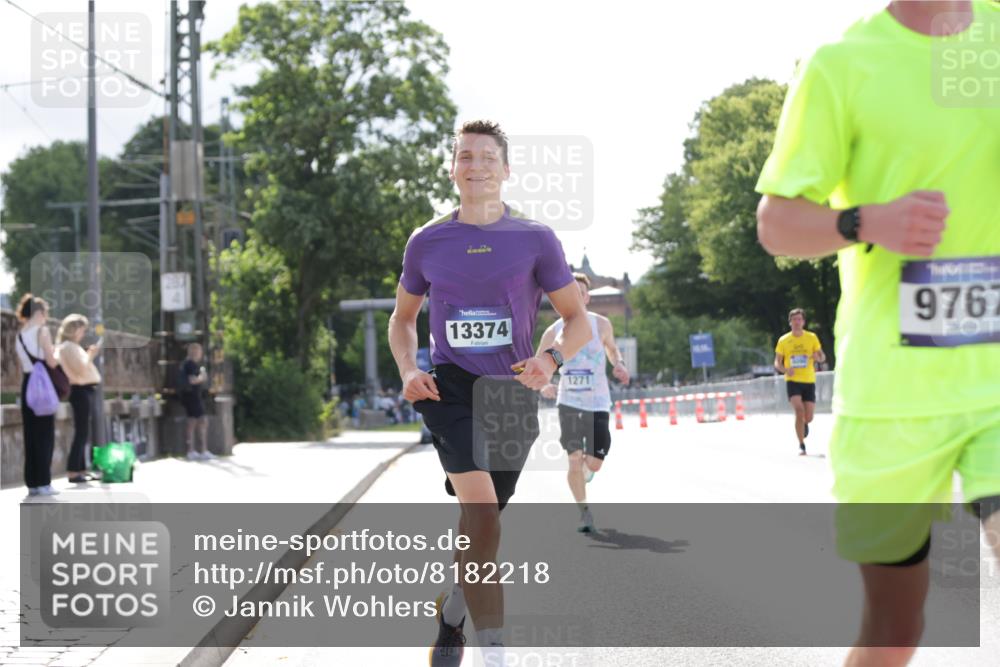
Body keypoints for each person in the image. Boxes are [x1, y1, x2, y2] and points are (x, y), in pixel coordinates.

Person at [756, 2, 1000, 665]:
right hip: (892, 396)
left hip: (995, 382)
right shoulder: (842, 65)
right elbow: (776, 223)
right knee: (895, 627)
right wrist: (865, 221)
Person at [388, 119, 589, 667]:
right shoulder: (427, 241)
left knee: (488, 520)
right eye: (464, 157)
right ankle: (493, 655)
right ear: (452, 169)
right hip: (449, 389)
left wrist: (550, 360)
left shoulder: (535, 238)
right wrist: (409, 368)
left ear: (505, 169)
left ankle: (453, 609)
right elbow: (403, 320)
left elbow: (577, 321)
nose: (474, 166)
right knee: (481, 516)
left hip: (511, 391)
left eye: (485, 157)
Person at [538, 272, 630, 532]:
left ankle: (586, 473)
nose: (576, 297)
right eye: (571, 292)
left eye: (581, 292)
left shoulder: (601, 325)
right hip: (568, 401)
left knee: (594, 463)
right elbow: (539, 363)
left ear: (587, 297)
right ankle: (584, 512)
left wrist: (620, 364)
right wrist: (545, 383)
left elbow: (612, 349)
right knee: (574, 459)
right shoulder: (553, 330)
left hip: (598, 401)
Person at [14, 294, 60, 496]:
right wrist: (55, 353)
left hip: (27, 385)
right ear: (40, 313)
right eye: (45, 314)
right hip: (42, 385)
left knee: (30, 434)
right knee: (45, 434)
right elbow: (51, 361)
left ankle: (32, 482)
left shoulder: (20, 334)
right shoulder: (42, 331)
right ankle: (44, 482)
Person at [55, 314, 102, 483]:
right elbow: (81, 369)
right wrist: (91, 355)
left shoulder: (70, 346)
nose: (83, 334)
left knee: (83, 431)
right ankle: (74, 470)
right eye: (81, 330)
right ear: (74, 330)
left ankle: (80, 469)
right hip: (80, 390)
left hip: (83, 390)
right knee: (81, 431)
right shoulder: (68, 347)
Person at [773, 308, 825, 455]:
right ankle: (801, 444)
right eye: (794, 319)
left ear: (803, 322)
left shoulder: (811, 337)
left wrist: (818, 357)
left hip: (809, 380)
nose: (797, 322)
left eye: (799, 319)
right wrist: (784, 370)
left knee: (808, 416)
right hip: (792, 380)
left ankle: (805, 423)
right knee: (799, 410)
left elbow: (822, 357)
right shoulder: (784, 340)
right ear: (790, 322)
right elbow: (777, 362)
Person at [179, 343, 212, 460]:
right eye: (199, 352)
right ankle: (200, 450)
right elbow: (192, 380)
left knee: (193, 422)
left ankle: (193, 450)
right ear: (194, 352)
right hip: (192, 397)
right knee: (201, 421)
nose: (200, 354)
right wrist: (202, 376)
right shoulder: (190, 364)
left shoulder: (188, 364)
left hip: (191, 397)